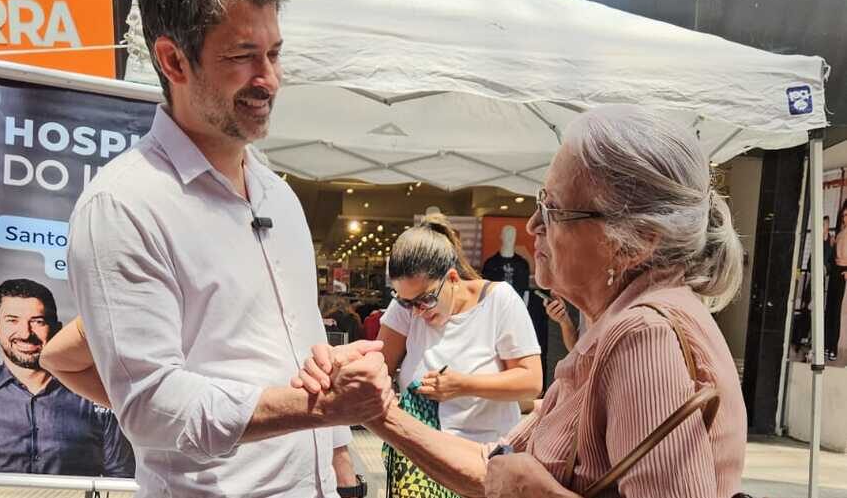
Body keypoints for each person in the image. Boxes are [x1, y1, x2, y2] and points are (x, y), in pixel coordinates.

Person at [65, 0, 391, 498]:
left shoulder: (277, 196)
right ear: (172, 61)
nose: (269, 79)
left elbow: (300, 343)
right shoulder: (124, 206)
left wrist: (338, 455)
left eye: (275, 54)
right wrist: (315, 406)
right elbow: (149, 405)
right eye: (243, 56)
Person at [295, 105, 748, 498]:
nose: (532, 225)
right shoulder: (628, 325)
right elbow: (494, 466)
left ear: (636, 241)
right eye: (539, 202)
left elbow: (511, 476)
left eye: (553, 209)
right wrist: (377, 412)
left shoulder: (644, 337)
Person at [298, 215, 542, 497]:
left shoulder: (499, 301)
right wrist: (344, 364)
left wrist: (462, 385)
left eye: (425, 300)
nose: (416, 312)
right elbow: (380, 364)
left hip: (484, 465)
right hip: (420, 464)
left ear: (452, 278)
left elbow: (531, 381)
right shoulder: (408, 307)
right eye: (403, 301)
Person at [0, 279, 134, 477]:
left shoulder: (97, 395)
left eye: (38, 321)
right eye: (12, 320)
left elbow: (122, 481)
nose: (26, 333)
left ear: (58, 329)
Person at [826, 204, 847, 361]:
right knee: (829, 309)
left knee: (836, 310)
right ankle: (826, 345)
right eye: (844, 215)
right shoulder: (840, 232)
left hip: (842, 272)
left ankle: (833, 347)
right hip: (834, 271)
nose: (845, 217)